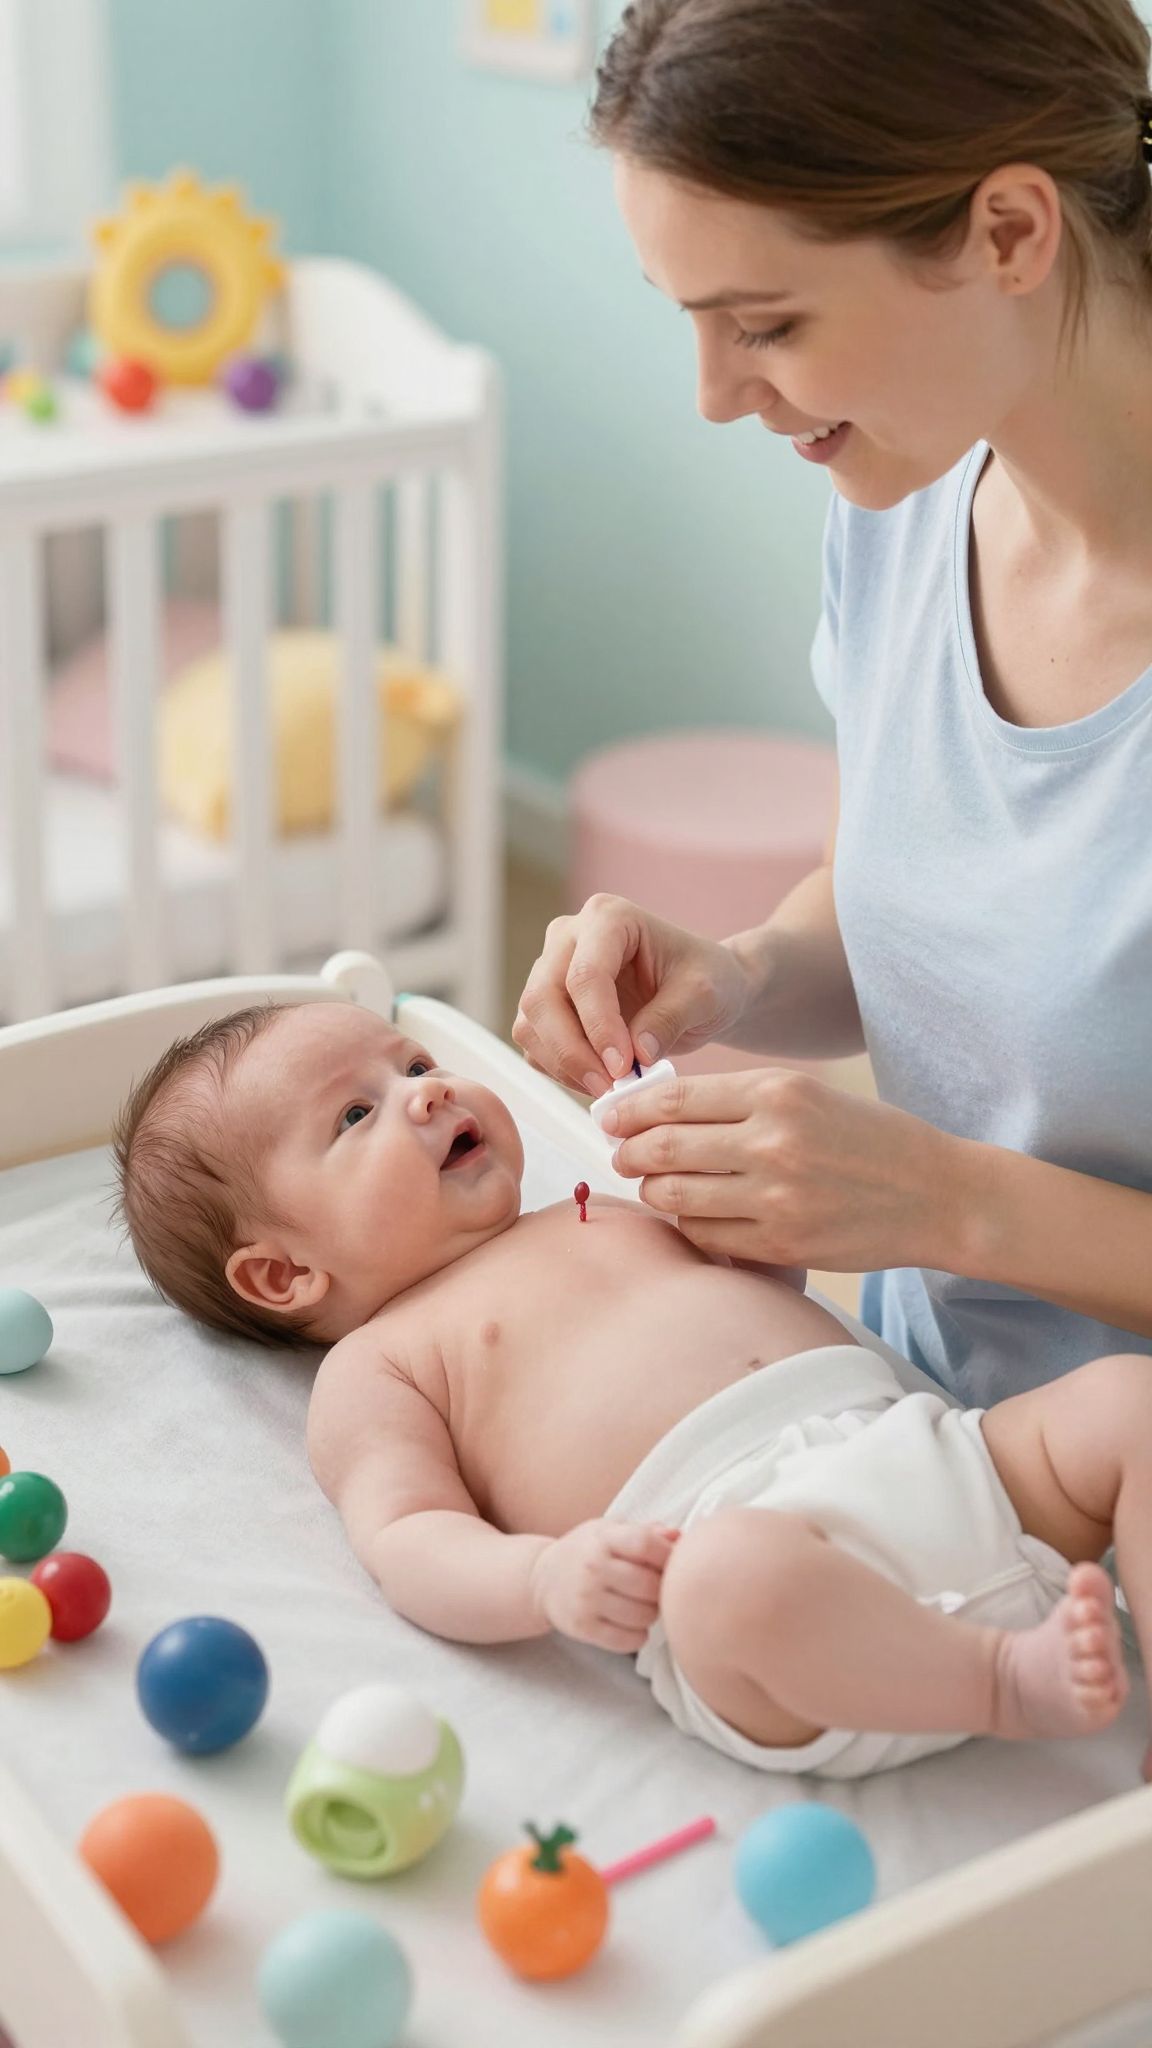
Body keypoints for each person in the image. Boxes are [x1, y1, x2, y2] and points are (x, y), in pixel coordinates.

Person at [514, 0, 1152, 1411]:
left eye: (767, 324)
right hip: (933, 1429)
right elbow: (918, 922)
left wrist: (950, 1203)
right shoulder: (901, 513)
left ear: (1009, 233)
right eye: (692, 320)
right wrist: (740, 973)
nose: (713, 395)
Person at [114, 999, 1152, 1780]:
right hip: (758, 1571)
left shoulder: (594, 1210)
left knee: (1127, 1402)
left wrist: (744, 1229)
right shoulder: (378, 1365)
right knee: (729, 1580)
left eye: (415, 1063)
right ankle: (1002, 1680)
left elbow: (769, 1299)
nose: (426, 1092)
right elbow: (409, 1538)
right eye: (355, 1112)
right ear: (282, 1275)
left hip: (936, 1455)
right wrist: (543, 1577)